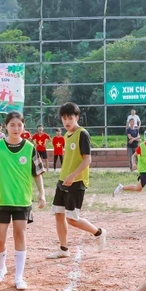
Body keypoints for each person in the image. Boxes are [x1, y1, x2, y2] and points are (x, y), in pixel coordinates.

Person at [0, 111, 46, 289]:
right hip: (2, 199)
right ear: (5, 126)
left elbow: (37, 173)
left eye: (19, 125)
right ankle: (1, 268)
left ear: (23, 126)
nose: (16, 128)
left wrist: (41, 193)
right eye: (12, 125)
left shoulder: (30, 147)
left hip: (22, 200)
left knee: (19, 234)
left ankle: (19, 276)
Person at [47, 102, 107, 259]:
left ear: (77, 117)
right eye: (64, 118)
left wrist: (73, 175)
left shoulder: (82, 133)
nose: (67, 122)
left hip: (76, 181)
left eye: (70, 118)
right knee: (59, 214)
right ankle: (63, 249)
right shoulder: (66, 135)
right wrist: (65, 176)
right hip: (63, 180)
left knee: (72, 219)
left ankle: (99, 232)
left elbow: (87, 160)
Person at [114, 127, 146, 215]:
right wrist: (133, 164)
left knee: (138, 189)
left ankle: (121, 187)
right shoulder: (142, 146)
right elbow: (133, 156)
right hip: (143, 170)